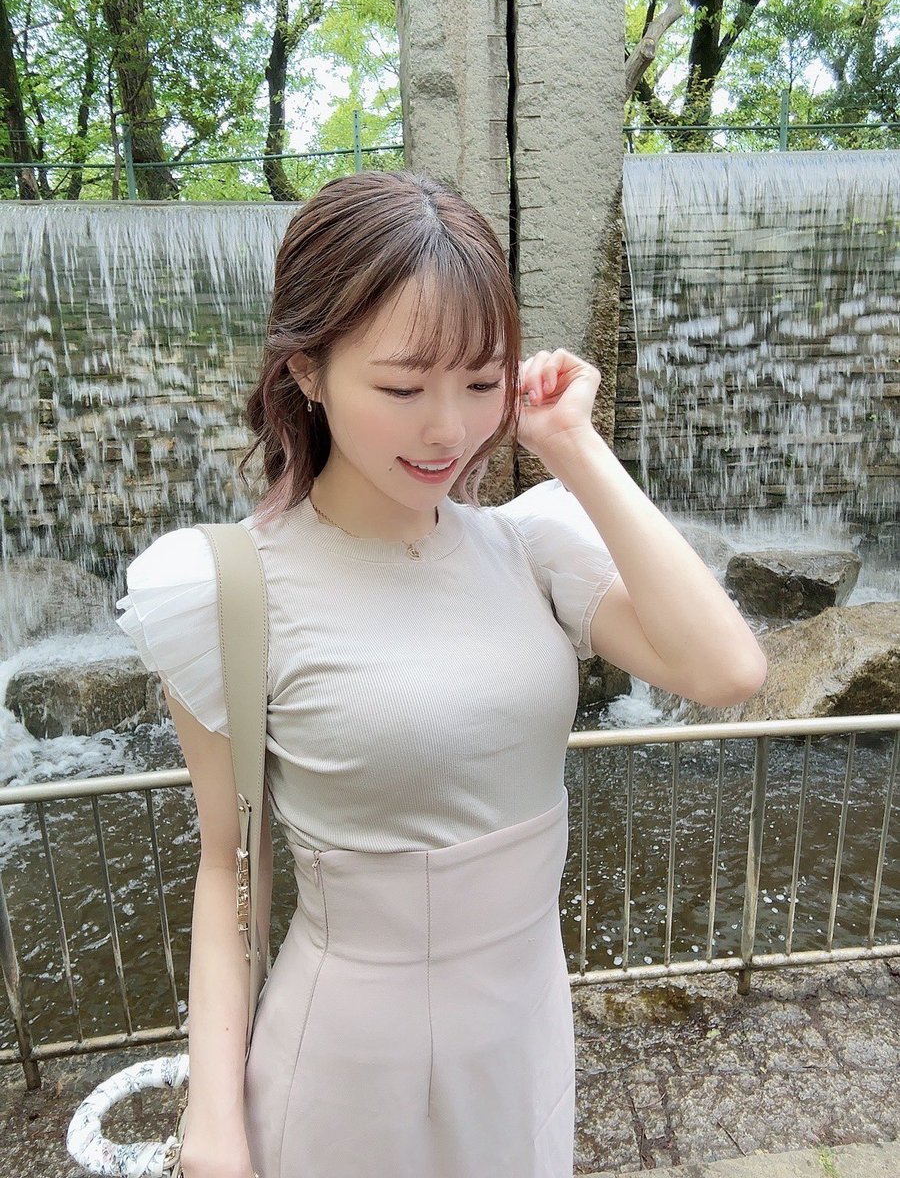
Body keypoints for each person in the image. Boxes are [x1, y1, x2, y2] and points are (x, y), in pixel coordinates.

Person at [115, 169, 767, 1178]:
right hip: (348, 1065)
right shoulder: (222, 588)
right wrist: (214, 1127)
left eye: (480, 382)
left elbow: (725, 669)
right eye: (402, 387)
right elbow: (227, 869)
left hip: (525, 1036)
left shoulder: (532, 545)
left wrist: (573, 446)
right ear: (307, 371)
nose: (449, 432)